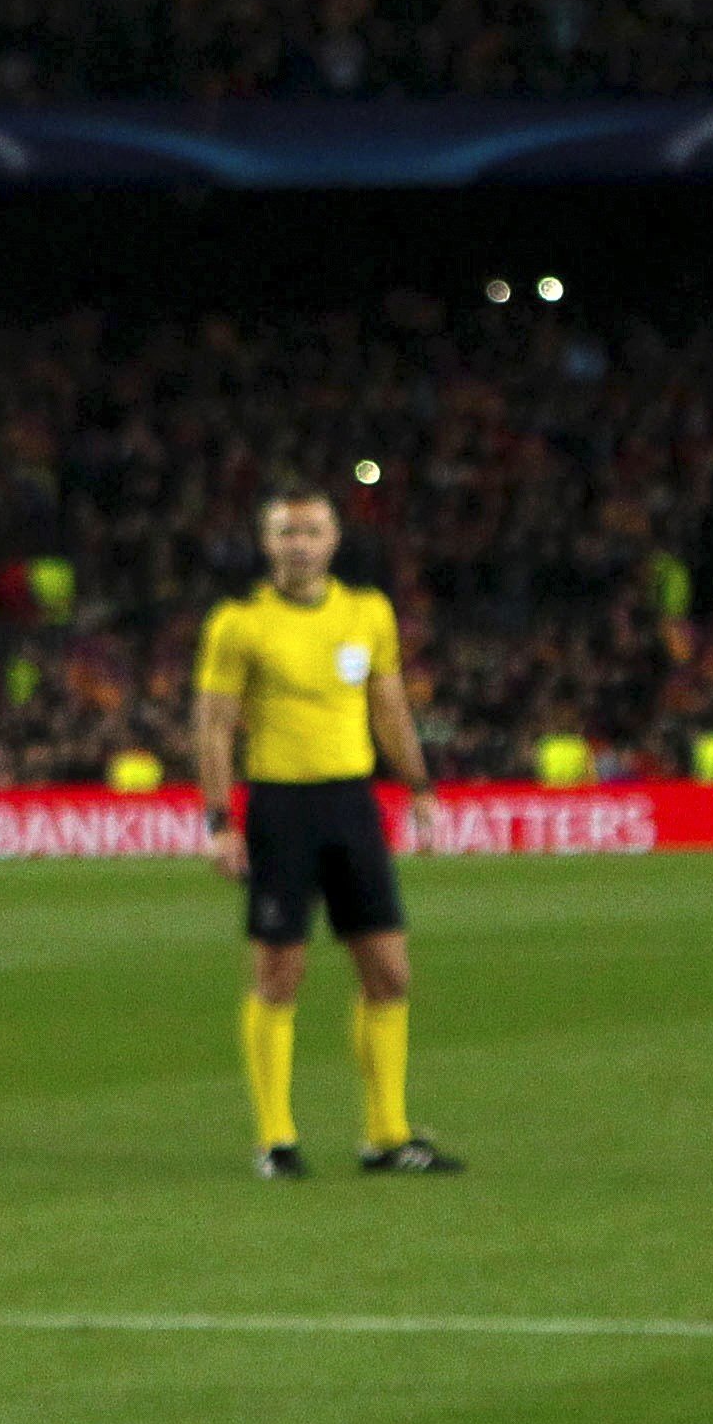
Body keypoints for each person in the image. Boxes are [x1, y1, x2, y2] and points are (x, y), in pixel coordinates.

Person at [194, 488, 459, 1177]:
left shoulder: (368, 613)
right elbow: (214, 727)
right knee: (280, 973)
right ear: (267, 542)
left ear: (335, 539)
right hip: (280, 807)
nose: (300, 544)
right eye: (287, 532)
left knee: (389, 972)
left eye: (312, 531)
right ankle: (276, 1139)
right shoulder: (240, 623)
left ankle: (387, 1135)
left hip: (352, 805)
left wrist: (420, 786)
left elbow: (390, 708)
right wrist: (221, 820)